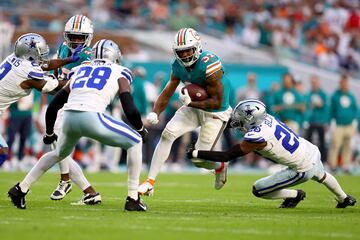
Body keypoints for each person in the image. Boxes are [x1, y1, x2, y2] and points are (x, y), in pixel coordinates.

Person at [8, 39, 149, 211]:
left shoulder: (80, 70)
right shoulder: (121, 71)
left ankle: (21, 188)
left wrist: (50, 132)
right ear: (115, 56)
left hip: (69, 118)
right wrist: (141, 129)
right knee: (135, 141)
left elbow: (54, 105)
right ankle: (133, 197)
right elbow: (129, 106)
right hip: (92, 117)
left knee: (59, 153)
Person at [186, 99, 356, 209]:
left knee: (258, 190)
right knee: (322, 175)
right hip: (310, 150)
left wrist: (196, 152)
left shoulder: (256, 137)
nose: (237, 121)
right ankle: (344, 198)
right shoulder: (267, 118)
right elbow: (239, 124)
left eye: (241, 118)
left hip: (301, 167)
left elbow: (227, 156)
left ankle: (295, 195)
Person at [138, 28, 232, 195]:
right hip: (193, 106)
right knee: (168, 133)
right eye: (181, 52)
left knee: (199, 159)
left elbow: (216, 102)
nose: (185, 55)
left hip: (216, 112)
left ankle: (220, 166)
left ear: (197, 48)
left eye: (188, 50)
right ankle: (150, 181)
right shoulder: (177, 65)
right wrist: (155, 112)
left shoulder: (211, 65)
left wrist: (192, 103)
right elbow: (168, 90)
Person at [0, 32, 82, 168]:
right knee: (2, 152)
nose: (42, 55)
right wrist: (77, 80)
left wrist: (68, 60)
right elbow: (53, 88)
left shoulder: (14, 58)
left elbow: (44, 64)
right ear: (31, 53)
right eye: (40, 52)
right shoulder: (27, 72)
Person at [47, 15, 99, 202]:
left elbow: (73, 84)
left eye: (80, 37)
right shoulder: (62, 47)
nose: (76, 41)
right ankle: (87, 190)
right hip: (62, 101)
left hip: (76, 102)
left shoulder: (87, 56)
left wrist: (52, 83)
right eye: (73, 36)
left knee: (58, 142)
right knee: (58, 145)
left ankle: (66, 180)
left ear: (88, 37)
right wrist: (52, 80)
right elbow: (57, 72)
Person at [328, 74, 358, 173]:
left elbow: (355, 110)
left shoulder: (351, 96)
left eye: (345, 83)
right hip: (339, 124)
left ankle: (346, 165)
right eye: (342, 83)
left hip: (349, 125)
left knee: (347, 145)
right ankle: (332, 164)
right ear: (340, 84)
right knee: (335, 144)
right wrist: (330, 122)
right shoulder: (335, 96)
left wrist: (355, 123)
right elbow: (331, 110)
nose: (344, 85)